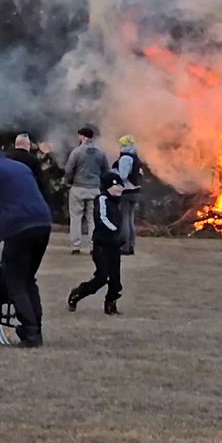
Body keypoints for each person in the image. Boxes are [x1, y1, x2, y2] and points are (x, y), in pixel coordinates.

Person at [0, 136, 53, 347]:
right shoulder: (20, 167)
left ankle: (31, 333)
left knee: (15, 281)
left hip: (18, 226)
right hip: (43, 223)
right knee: (28, 279)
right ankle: (36, 327)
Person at [68, 172, 126, 315]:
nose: (119, 188)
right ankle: (77, 294)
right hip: (102, 245)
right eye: (116, 185)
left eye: (120, 185)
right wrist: (114, 230)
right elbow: (102, 218)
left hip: (114, 245)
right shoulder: (102, 199)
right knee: (102, 277)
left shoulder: (116, 202)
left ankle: (111, 304)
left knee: (115, 278)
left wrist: (121, 237)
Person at [63, 126, 108, 255]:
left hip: (78, 188)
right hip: (94, 189)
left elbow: (69, 169)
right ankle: (94, 246)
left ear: (83, 136)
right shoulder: (100, 153)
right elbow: (106, 170)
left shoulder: (76, 152)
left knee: (76, 218)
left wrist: (68, 181)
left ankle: (75, 246)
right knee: (92, 219)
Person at [112, 135, 143, 256]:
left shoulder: (125, 158)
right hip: (136, 191)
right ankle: (131, 245)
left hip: (126, 191)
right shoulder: (136, 157)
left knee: (124, 219)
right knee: (130, 220)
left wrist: (114, 172)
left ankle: (125, 246)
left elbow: (123, 175)